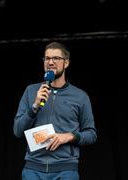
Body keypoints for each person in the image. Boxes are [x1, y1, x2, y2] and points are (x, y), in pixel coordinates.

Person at [13, 41, 97, 180]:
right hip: (33, 170)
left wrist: (69, 136)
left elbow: (91, 134)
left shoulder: (80, 96)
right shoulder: (31, 91)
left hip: (65, 171)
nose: (50, 62)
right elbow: (17, 130)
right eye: (47, 58)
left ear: (66, 63)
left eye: (56, 58)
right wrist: (34, 107)